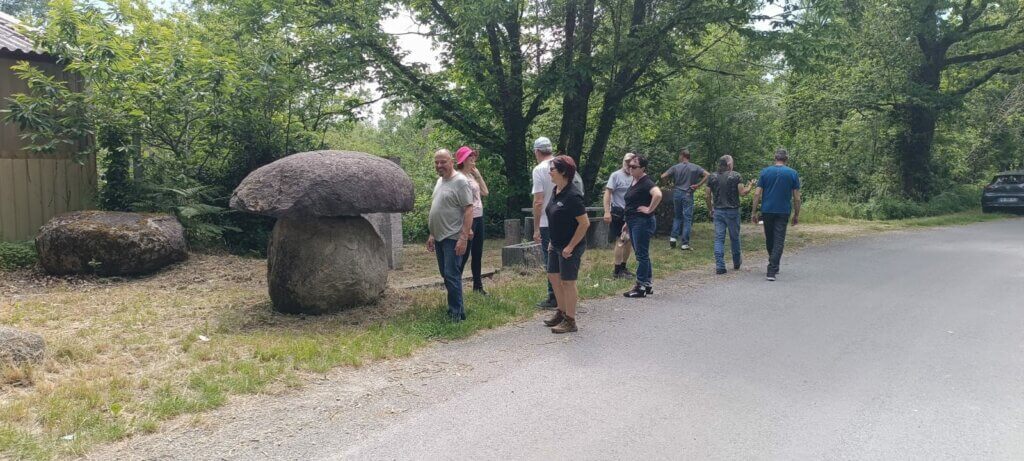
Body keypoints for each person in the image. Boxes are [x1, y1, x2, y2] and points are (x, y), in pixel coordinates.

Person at [531, 136, 583, 309]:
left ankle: (557, 301)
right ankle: (562, 305)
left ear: (537, 151)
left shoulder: (540, 169)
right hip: (564, 224)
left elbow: (538, 202)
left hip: (551, 224)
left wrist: (536, 228)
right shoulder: (562, 167)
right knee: (557, 268)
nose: (550, 172)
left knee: (556, 268)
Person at [542, 156, 590, 333]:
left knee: (568, 282)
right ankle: (561, 312)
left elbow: (584, 223)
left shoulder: (573, 195)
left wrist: (570, 246)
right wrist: (552, 242)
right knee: (553, 277)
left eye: (552, 169)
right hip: (555, 244)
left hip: (571, 245)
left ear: (563, 172)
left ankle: (570, 320)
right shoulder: (556, 190)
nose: (549, 172)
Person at [427, 149, 475, 321]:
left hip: (453, 236)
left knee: (451, 274)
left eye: (443, 162)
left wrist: (463, 237)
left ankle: (456, 314)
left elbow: (469, 209)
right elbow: (438, 208)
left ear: (452, 162)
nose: (439, 165)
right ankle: (458, 310)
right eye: (436, 162)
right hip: (439, 236)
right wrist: (432, 234)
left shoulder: (460, 182)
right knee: (446, 274)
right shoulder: (440, 181)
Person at [751, 148, 802, 282]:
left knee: (770, 239)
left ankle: (773, 265)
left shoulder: (765, 172)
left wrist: (753, 212)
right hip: (783, 211)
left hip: (767, 210)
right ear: (786, 159)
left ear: (775, 158)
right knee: (778, 240)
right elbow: (797, 197)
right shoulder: (793, 173)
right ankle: (773, 268)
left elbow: (757, 193)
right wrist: (796, 214)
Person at [705, 155, 755, 275]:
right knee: (734, 237)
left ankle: (720, 266)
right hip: (733, 211)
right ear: (728, 164)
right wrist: (750, 185)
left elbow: (707, 195)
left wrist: (711, 209)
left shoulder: (712, 177)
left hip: (718, 211)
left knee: (719, 239)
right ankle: (736, 262)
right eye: (732, 163)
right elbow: (742, 193)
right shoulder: (736, 176)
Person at [623, 154, 662, 298]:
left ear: (643, 168)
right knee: (642, 254)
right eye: (629, 166)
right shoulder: (635, 181)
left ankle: (640, 286)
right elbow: (632, 203)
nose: (630, 168)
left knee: (641, 255)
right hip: (633, 221)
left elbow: (658, 194)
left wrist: (649, 209)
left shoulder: (646, 182)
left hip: (642, 222)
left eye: (634, 166)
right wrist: (627, 223)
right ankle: (647, 284)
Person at [454, 146, 489, 294]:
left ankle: (478, 287)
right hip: (469, 219)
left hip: (479, 217)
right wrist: (467, 227)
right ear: (463, 160)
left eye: (474, 156)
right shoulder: (458, 177)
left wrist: (478, 175)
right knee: (464, 254)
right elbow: (459, 204)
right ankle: (456, 287)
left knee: (477, 253)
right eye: (470, 157)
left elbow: (485, 192)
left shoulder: (472, 176)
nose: (473, 159)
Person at [660, 148, 709, 250]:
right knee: (687, 218)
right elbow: (707, 175)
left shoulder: (675, 167)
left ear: (682, 156)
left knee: (677, 217)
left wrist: (667, 185)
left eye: (679, 156)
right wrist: (698, 185)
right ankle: (685, 243)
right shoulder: (695, 167)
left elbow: (663, 176)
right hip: (688, 193)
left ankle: (673, 238)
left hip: (677, 193)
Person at [603, 152, 636, 279]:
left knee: (629, 240)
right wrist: (607, 211)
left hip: (631, 212)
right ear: (623, 162)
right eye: (626, 161)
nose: (628, 164)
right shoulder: (616, 175)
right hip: (618, 211)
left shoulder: (635, 176)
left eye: (631, 162)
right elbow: (608, 193)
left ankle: (623, 267)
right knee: (621, 240)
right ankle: (617, 270)